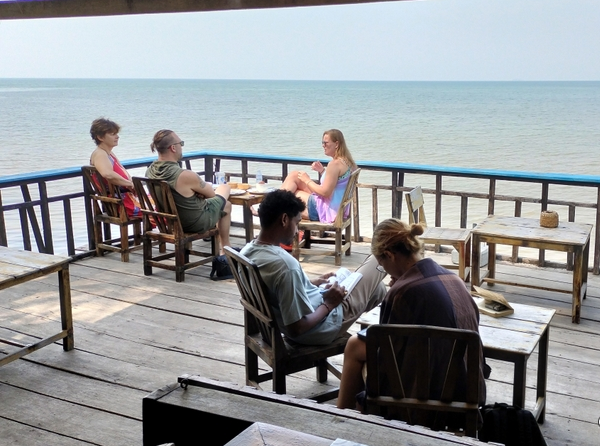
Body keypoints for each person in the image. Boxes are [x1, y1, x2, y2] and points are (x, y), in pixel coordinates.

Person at [336, 218, 487, 430]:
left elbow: (389, 363)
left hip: (425, 402)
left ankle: (339, 423)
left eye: (383, 266)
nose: (387, 274)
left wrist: (366, 397)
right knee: (360, 347)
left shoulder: (402, 293)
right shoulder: (455, 280)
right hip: (467, 393)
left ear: (389, 255)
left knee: (361, 353)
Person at [240, 190, 386, 345]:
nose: (297, 231)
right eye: (296, 223)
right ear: (284, 220)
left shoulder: (247, 251)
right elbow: (296, 328)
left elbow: (276, 287)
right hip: (318, 328)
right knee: (379, 258)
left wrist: (313, 282)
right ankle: (378, 345)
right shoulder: (285, 266)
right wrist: (329, 304)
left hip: (306, 311)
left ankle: (370, 344)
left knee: (376, 287)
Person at [145, 129, 234, 279]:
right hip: (192, 223)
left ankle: (225, 248)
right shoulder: (184, 175)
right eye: (181, 144)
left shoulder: (150, 171)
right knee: (225, 197)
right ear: (173, 148)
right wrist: (202, 191)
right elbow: (212, 195)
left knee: (220, 200)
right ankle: (225, 248)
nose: (181, 147)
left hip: (168, 222)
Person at [279, 128, 356, 223]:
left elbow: (325, 192)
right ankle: (274, 204)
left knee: (289, 196)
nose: (323, 145)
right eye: (322, 142)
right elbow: (337, 184)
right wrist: (323, 171)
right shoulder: (349, 163)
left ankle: (271, 208)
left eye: (326, 143)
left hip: (324, 210)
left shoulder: (334, 164)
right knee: (295, 175)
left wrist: (307, 180)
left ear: (336, 144)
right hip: (337, 208)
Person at [88, 118, 141, 218]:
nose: (117, 137)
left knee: (163, 205)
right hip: (119, 203)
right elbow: (107, 174)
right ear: (100, 137)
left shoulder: (109, 153)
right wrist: (130, 184)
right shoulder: (100, 154)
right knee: (161, 209)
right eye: (112, 134)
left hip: (124, 199)